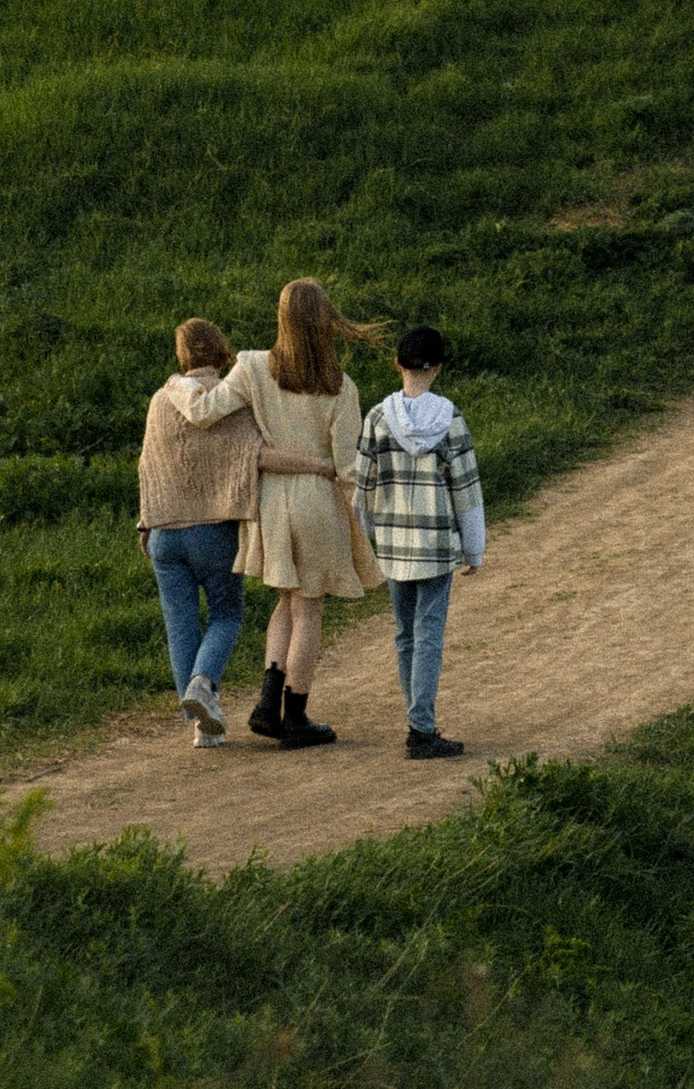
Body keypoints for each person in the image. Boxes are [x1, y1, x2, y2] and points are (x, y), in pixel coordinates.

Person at [180, 278, 383, 747]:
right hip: (315, 496)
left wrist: (177, 387)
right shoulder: (340, 386)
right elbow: (350, 465)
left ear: (282, 319)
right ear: (325, 322)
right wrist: (367, 515)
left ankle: (267, 704)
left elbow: (206, 412)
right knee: (309, 607)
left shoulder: (252, 367)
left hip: (270, 500)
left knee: (286, 600)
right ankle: (295, 716)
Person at [350, 324, 484, 758]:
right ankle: (421, 728)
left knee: (404, 634)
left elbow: (362, 489)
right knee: (429, 634)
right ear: (438, 367)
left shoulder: (376, 418)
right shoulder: (450, 418)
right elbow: (466, 489)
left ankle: (417, 721)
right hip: (437, 545)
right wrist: (474, 547)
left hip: (393, 546)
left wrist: (367, 539)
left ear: (397, 364)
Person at [134, 318, 264, 748]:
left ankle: (201, 728)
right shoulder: (229, 400)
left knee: (181, 625)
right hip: (214, 530)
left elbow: (148, 464)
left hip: (164, 533)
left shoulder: (160, 400)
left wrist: (145, 523)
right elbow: (248, 458)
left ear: (182, 355)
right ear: (222, 351)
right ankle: (204, 686)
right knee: (227, 614)